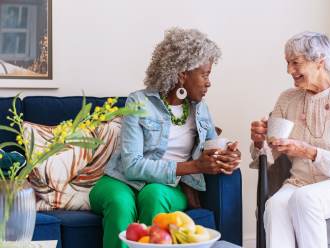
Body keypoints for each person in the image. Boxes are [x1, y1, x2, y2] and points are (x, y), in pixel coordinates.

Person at [90, 27, 241, 248]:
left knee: (153, 195)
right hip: (121, 181)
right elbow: (131, 166)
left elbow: (212, 144)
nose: (209, 82)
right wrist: (193, 166)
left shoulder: (200, 109)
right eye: (205, 74)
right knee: (120, 203)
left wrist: (228, 152)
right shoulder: (139, 102)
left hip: (166, 187)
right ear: (182, 75)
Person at [250, 31, 330, 248]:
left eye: (295, 63)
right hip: (301, 183)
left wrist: (309, 152)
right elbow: (269, 154)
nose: (289, 70)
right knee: (275, 205)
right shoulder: (287, 99)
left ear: (319, 62)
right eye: (287, 63)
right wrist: (261, 142)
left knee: (305, 199)